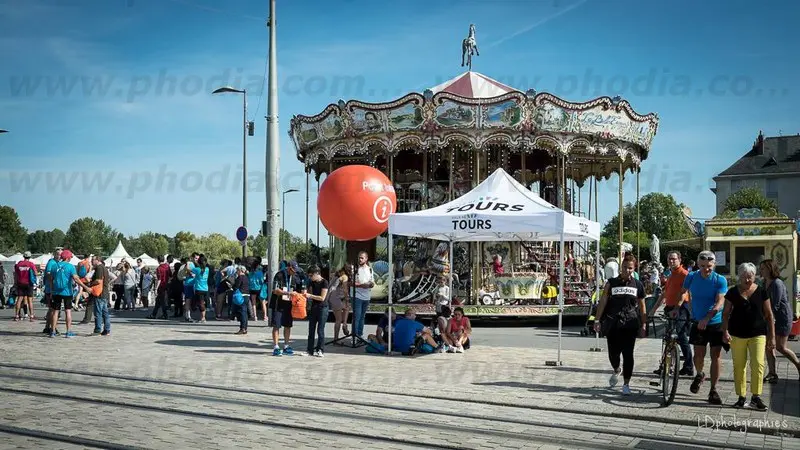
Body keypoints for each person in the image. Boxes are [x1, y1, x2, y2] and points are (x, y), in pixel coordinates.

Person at [722, 262, 775, 410]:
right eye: (744, 277)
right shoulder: (732, 292)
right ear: (739, 276)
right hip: (737, 334)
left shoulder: (762, 291)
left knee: (758, 364)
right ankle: (741, 397)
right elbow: (725, 314)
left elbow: (769, 315)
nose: (747, 280)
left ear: (755, 276)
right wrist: (724, 331)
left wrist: (772, 337)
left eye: (750, 277)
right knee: (739, 366)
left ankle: (756, 397)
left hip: (758, 333)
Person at [594, 254, 646, 395]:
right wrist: (597, 320)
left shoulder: (638, 285)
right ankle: (617, 369)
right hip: (613, 323)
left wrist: (643, 324)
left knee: (628, 354)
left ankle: (626, 384)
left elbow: (642, 306)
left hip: (630, 323)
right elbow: (603, 301)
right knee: (613, 354)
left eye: (630, 268)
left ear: (634, 268)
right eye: (624, 267)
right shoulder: (611, 283)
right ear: (620, 267)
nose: (627, 270)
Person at [682, 250, 728, 405]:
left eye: (709, 266)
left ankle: (713, 389)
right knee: (698, 355)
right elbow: (684, 293)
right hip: (697, 321)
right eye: (702, 266)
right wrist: (678, 306)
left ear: (714, 264)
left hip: (715, 322)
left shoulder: (719, 280)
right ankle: (700, 374)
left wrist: (707, 318)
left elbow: (720, 302)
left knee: (716, 355)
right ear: (697, 264)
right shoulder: (691, 277)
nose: (705, 269)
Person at [651, 251, 693, 376]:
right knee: (668, 337)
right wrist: (653, 309)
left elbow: (685, 293)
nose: (671, 261)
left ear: (680, 260)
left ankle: (688, 366)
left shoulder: (684, 274)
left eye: (674, 259)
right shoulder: (671, 274)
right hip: (669, 308)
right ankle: (665, 365)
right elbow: (664, 294)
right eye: (669, 259)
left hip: (681, 308)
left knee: (680, 335)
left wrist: (677, 308)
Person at [760, 259, 800, 382]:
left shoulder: (777, 283)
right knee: (769, 346)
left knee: (780, 347)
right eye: (760, 268)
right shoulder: (764, 282)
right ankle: (772, 373)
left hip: (781, 317)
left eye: (763, 268)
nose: (761, 270)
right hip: (769, 318)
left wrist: (764, 315)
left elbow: (775, 304)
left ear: (770, 269)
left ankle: (799, 366)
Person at [46, 249, 90, 338]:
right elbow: (76, 279)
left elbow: (50, 279)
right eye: (70, 257)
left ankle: (53, 331)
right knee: (68, 311)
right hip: (67, 292)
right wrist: (85, 287)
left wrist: (51, 290)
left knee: (55, 312)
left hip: (56, 291)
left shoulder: (54, 266)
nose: (70, 259)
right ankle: (68, 331)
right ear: (67, 258)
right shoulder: (70, 267)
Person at [269, 260, 305, 356]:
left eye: (296, 270)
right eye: (293, 270)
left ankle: (286, 345)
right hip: (278, 303)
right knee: (276, 325)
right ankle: (276, 347)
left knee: (288, 325)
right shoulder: (279, 275)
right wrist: (288, 293)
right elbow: (275, 290)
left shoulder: (296, 277)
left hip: (289, 304)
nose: (294, 272)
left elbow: (299, 289)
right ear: (289, 268)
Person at [305, 266, 329, 357]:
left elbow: (322, 298)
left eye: (311, 275)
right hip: (313, 307)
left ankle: (320, 349)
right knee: (311, 329)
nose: (310, 277)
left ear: (317, 273)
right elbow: (307, 291)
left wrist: (310, 296)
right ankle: (309, 350)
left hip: (323, 308)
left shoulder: (324, 282)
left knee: (320, 330)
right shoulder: (311, 282)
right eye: (309, 276)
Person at [352, 252, 374, 338]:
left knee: (362, 316)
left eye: (362, 258)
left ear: (366, 259)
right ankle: (355, 336)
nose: (360, 259)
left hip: (367, 296)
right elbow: (350, 283)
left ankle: (360, 335)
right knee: (357, 316)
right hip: (357, 296)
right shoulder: (355, 268)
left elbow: (372, 282)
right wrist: (362, 285)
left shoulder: (370, 269)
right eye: (359, 258)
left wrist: (370, 285)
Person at [328, 265, 352, 342]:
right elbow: (345, 289)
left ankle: (344, 324)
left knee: (347, 308)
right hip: (337, 298)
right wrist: (347, 298)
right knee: (339, 319)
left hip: (332, 297)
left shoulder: (336, 276)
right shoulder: (345, 277)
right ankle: (336, 339)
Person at [13, 251, 37, 322]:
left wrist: (16, 283)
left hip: (20, 283)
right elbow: (35, 273)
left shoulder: (19, 264)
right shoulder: (30, 264)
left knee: (19, 299)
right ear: (29, 257)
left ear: (23, 256)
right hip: (29, 283)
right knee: (30, 300)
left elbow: (16, 274)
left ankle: (17, 315)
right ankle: (31, 316)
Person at [150, 255, 172, 319]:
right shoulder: (167, 266)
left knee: (162, 301)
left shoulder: (159, 268)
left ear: (158, 260)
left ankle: (165, 315)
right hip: (166, 285)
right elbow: (171, 276)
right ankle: (154, 314)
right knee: (158, 301)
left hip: (161, 286)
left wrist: (156, 288)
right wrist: (168, 282)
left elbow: (159, 279)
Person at [233, 265, 250, 334]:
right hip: (247, 295)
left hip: (241, 296)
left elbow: (236, 286)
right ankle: (245, 328)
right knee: (245, 313)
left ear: (240, 270)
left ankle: (242, 328)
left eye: (237, 270)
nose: (236, 271)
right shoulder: (246, 277)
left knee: (241, 312)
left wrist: (231, 285)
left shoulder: (240, 277)